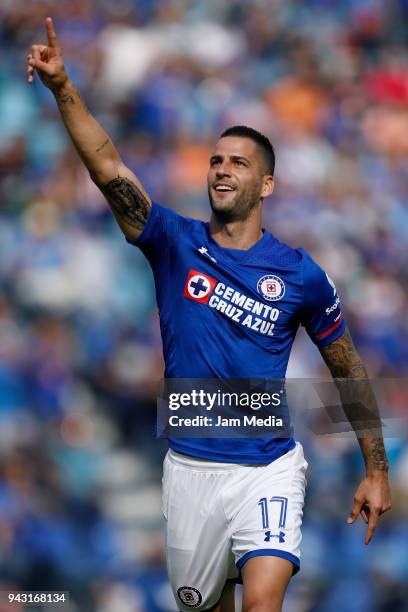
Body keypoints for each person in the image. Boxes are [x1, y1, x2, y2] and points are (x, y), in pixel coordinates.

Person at [27, 18, 391, 612]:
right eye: (216, 160)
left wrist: (375, 469)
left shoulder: (299, 274)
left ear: (267, 183)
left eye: (239, 163)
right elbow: (109, 168)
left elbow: (347, 368)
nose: (221, 168)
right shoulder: (174, 242)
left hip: (267, 467)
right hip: (191, 469)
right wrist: (64, 87)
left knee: (261, 603)